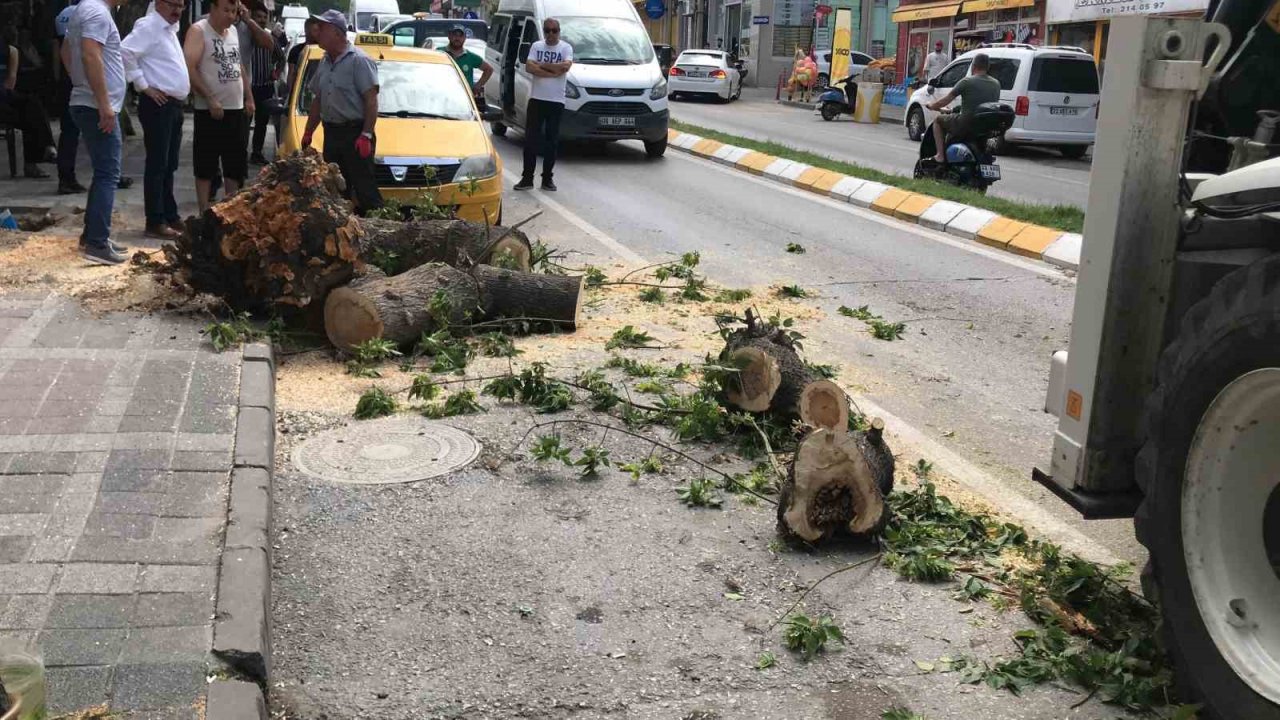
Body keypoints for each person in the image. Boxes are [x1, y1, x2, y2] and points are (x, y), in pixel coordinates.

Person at [63, 0, 128, 264]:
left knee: (103, 171)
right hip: (96, 105)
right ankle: (97, 244)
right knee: (108, 173)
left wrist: (79, 82)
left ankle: (93, 235)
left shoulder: (85, 9)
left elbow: (66, 51)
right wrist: (103, 103)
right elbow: (90, 54)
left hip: (88, 101)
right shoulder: (97, 11)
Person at [300, 10, 382, 214]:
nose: (317, 32)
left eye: (323, 28)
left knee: (364, 189)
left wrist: (366, 134)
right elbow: (319, 99)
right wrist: (309, 131)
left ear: (337, 33)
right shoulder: (325, 61)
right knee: (336, 188)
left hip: (355, 134)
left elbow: (371, 101)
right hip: (333, 133)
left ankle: (375, 231)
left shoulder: (359, 61)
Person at [122, 0, 189, 239]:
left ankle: (170, 214)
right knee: (158, 165)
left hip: (173, 105)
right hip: (158, 104)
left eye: (182, 6)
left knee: (169, 165)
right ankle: (155, 220)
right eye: (173, 5)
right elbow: (125, 51)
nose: (178, 11)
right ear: (159, 3)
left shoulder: (169, 29)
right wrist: (143, 85)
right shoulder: (150, 25)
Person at [186, 0, 254, 213]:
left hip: (236, 109)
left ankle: (230, 210)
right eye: (226, 10)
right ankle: (204, 210)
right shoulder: (199, 30)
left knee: (235, 164)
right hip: (210, 110)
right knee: (206, 163)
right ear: (213, 8)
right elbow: (189, 67)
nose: (231, 16)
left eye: (234, 11)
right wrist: (209, 98)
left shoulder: (233, 31)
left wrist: (249, 96)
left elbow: (238, 65)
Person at [514, 18, 572, 193]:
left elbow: (565, 67)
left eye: (554, 30)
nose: (551, 34)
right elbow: (530, 68)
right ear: (544, 31)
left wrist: (542, 66)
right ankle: (527, 178)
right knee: (531, 140)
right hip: (537, 99)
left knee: (551, 141)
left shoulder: (565, 48)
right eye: (547, 30)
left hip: (556, 101)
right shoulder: (537, 46)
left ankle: (547, 179)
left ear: (559, 31)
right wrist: (552, 70)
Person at [0, 33, 59, 178]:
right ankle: (45, 150)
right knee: (31, 109)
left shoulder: (10, 52)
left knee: (30, 110)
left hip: (3, 98)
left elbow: (10, 83)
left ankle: (37, 159)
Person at [926, 52, 1001, 164]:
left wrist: (932, 106)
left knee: (938, 121)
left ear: (973, 66)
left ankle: (940, 155)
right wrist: (954, 109)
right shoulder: (996, 84)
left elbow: (946, 100)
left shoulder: (967, 82)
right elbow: (981, 104)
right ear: (988, 67)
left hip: (965, 124)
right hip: (984, 127)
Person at [247, 3, 284, 163]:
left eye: (264, 18)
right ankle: (240, 153)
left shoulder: (270, 37)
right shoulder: (245, 35)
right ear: (252, 17)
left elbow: (281, 58)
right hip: (247, 87)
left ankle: (256, 153)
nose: (262, 20)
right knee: (244, 122)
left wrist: (275, 72)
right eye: (258, 17)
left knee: (262, 123)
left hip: (265, 86)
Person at [443, 24, 491, 108]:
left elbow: (488, 69)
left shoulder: (470, 57)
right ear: (449, 36)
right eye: (455, 35)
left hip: (465, 102)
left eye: (460, 35)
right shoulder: (440, 53)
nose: (457, 38)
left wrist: (477, 86)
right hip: (443, 97)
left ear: (464, 38)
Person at [286, 17, 319, 95]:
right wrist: (291, 95)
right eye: (315, 31)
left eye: (318, 31)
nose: (318, 34)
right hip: (302, 93)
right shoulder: (296, 51)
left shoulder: (324, 51)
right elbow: (291, 75)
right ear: (306, 31)